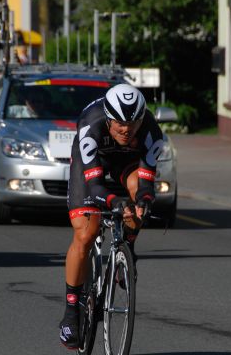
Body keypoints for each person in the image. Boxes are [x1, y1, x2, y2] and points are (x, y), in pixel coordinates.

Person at [59, 84, 164, 349]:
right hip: (93, 164)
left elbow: (146, 184)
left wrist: (144, 200)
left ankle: (126, 247)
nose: (126, 130)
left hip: (126, 162)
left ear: (142, 119)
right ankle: (72, 309)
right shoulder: (90, 126)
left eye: (132, 124)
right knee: (86, 233)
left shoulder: (152, 133)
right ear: (108, 117)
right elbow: (94, 186)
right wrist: (113, 201)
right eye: (119, 124)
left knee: (136, 200)